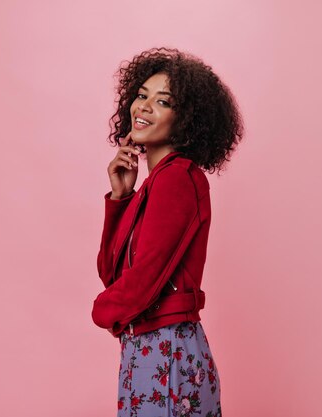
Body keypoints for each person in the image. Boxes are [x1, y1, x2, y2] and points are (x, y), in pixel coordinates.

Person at [91, 47, 243, 417]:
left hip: (167, 354)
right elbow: (114, 275)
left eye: (162, 102)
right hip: (147, 350)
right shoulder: (155, 183)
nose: (143, 107)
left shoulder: (177, 178)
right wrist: (121, 197)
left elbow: (142, 282)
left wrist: (101, 310)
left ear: (187, 119)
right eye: (141, 95)